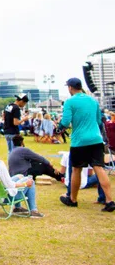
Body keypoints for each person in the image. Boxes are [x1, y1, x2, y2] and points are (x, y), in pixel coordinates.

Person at [58, 78, 114, 211]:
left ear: (70, 88)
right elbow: (98, 121)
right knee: (99, 168)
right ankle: (109, 200)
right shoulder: (93, 100)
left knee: (76, 169)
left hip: (79, 141)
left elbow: (65, 122)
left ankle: (72, 199)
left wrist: (59, 128)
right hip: (95, 139)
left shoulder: (70, 101)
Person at [0, 140, 43, 218]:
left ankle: (18, 208)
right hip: (4, 197)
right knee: (30, 180)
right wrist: (25, 184)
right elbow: (10, 185)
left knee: (19, 176)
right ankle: (33, 210)